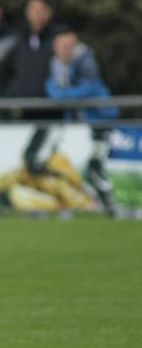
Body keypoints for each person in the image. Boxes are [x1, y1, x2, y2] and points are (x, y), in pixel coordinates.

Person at [44, 25, 119, 215]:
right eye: (62, 45)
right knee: (69, 166)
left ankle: (112, 206)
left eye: (70, 45)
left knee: (95, 168)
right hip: (76, 125)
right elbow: (51, 88)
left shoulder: (86, 61)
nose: (66, 49)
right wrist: (63, 96)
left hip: (99, 122)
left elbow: (88, 89)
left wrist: (63, 96)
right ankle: (76, 206)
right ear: (55, 46)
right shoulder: (56, 64)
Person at [7, 0, 58, 120]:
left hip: (53, 106)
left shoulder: (59, 38)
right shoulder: (18, 39)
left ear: (48, 12)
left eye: (39, 10)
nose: (36, 13)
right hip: (23, 106)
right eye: (32, 9)